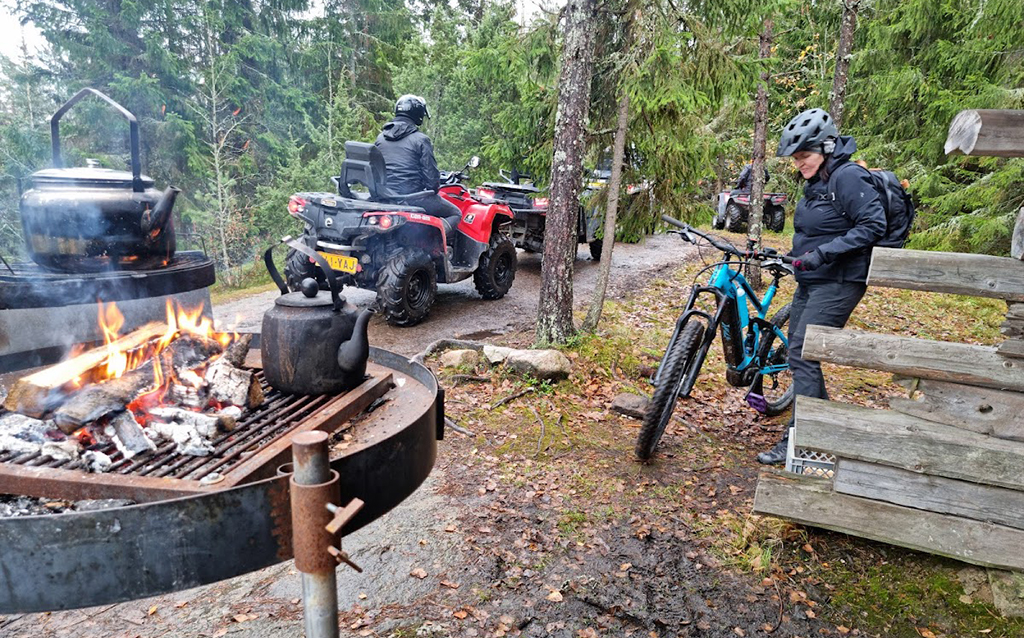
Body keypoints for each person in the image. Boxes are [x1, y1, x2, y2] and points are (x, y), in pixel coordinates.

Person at [756, 108, 887, 465]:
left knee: (803, 354)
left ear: (827, 147)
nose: (799, 163)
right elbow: (818, 231)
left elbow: (872, 226)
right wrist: (794, 256)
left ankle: (806, 440)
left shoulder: (848, 177)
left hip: (841, 281)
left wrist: (822, 255)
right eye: (796, 159)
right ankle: (823, 429)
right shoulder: (818, 180)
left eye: (805, 156)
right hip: (812, 280)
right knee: (801, 358)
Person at [374, 94, 462, 223]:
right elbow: (432, 182)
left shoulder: (380, 138)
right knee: (455, 213)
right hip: (412, 198)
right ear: (418, 113)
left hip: (385, 196)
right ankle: (436, 239)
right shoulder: (421, 140)